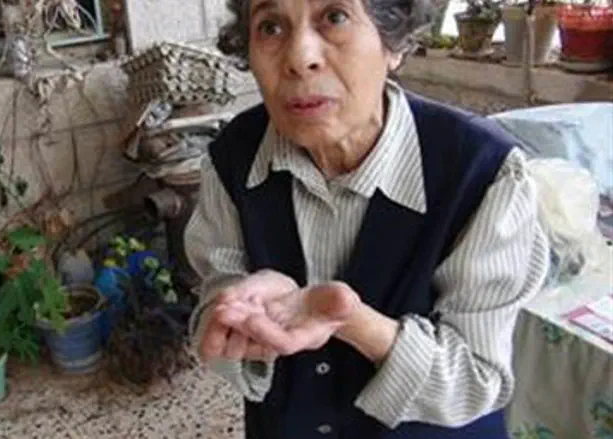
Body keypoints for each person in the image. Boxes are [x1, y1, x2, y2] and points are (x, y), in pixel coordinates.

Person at [183, 0, 549, 438]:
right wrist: (238, 313)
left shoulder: (484, 175)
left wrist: (355, 323)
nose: (300, 58)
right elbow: (217, 290)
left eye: (335, 17)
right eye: (271, 27)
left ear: (394, 43)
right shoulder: (233, 158)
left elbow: (475, 380)